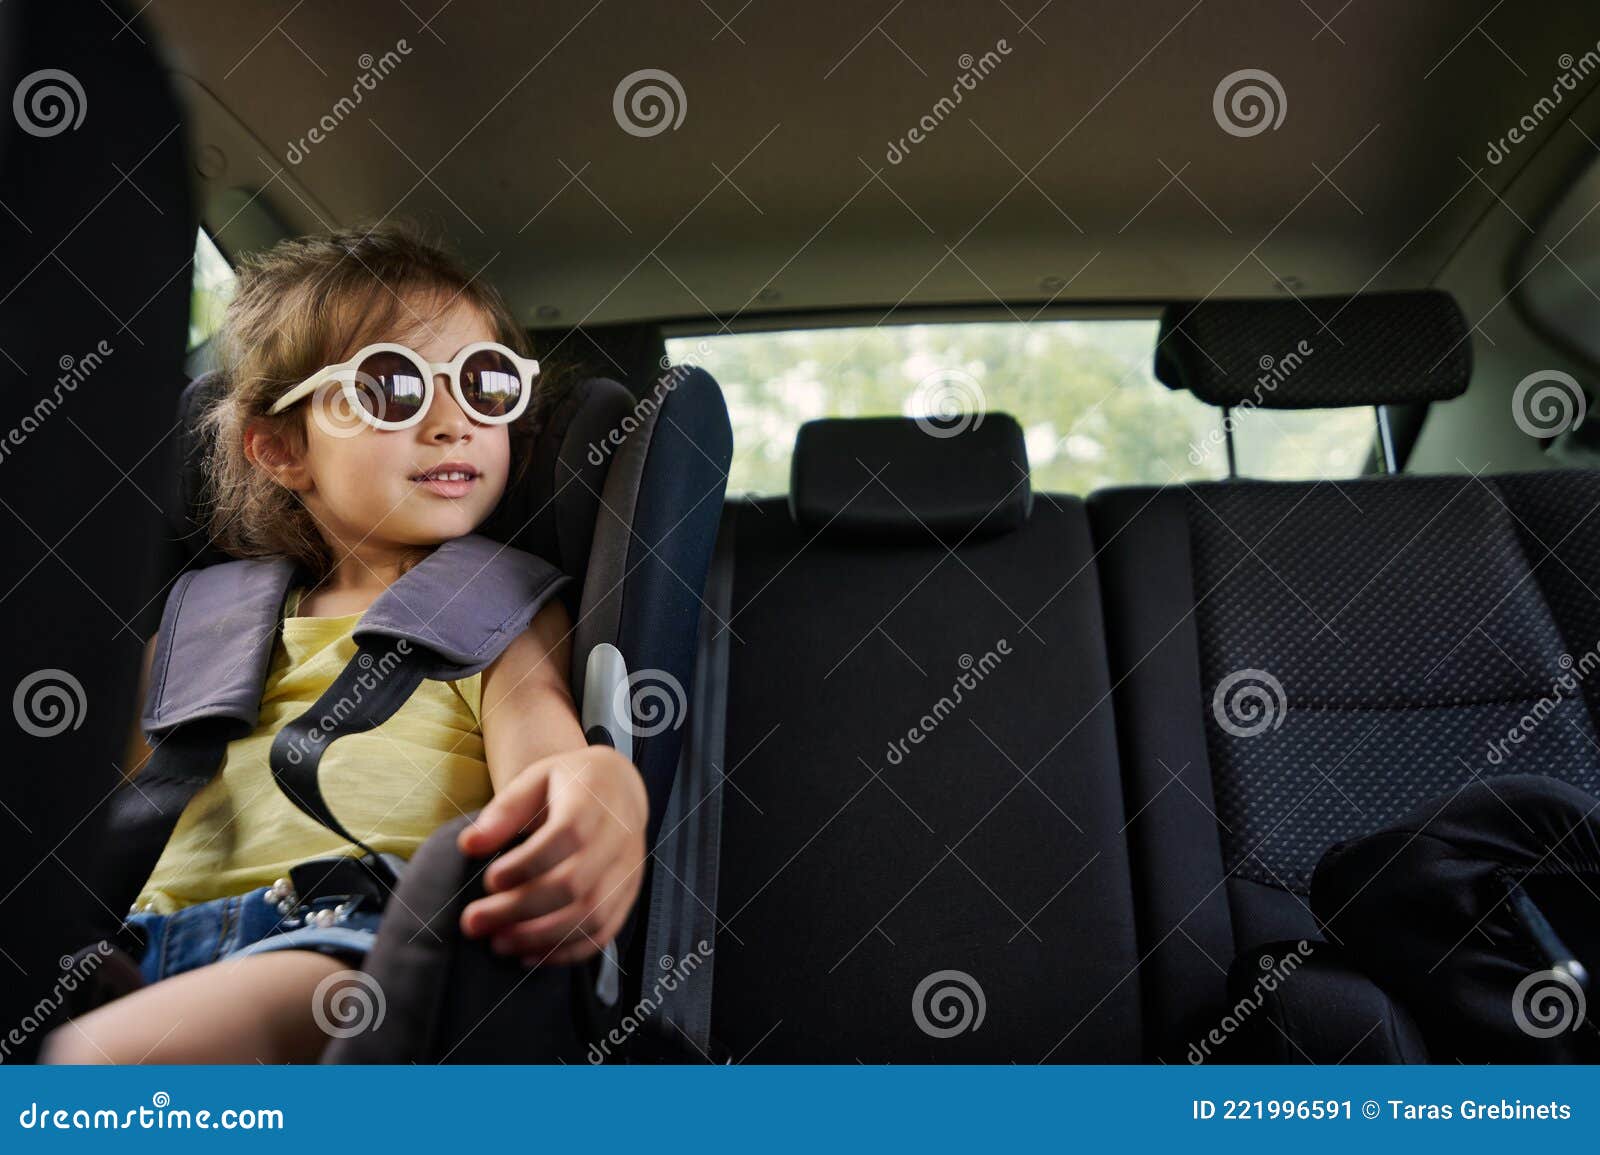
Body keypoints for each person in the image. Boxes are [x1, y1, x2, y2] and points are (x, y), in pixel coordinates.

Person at [41, 225, 646, 1064]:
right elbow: (61, 810)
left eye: (484, 384)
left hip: (342, 950)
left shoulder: (501, 613)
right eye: (391, 386)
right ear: (283, 447)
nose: (451, 422)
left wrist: (604, 783)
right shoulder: (195, 622)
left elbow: (546, 758)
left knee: (82, 1073)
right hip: (134, 953)